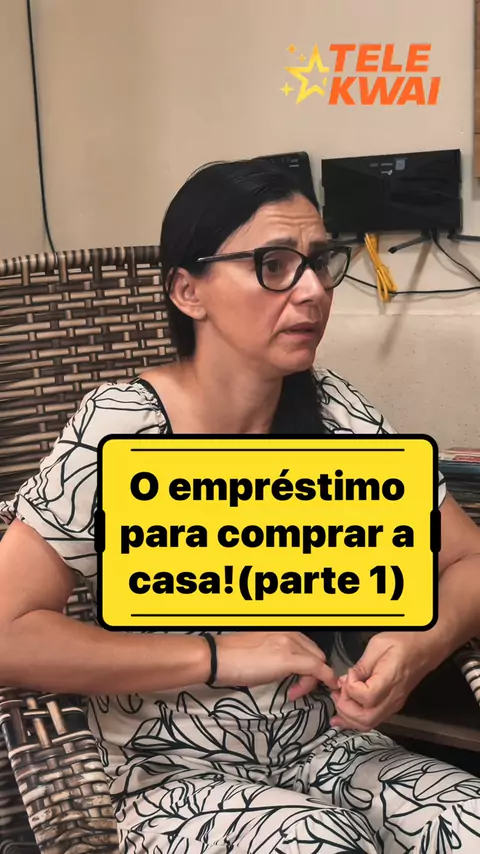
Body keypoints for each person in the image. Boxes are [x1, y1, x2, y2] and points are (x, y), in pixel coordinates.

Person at [1, 158, 480, 854]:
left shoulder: (337, 414)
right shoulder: (123, 427)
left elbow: (468, 561)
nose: (314, 290)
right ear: (189, 291)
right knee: (318, 842)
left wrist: (419, 645)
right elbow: (9, 634)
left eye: (320, 261)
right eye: (273, 265)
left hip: (332, 748)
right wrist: (217, 654)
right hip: (172, 779)